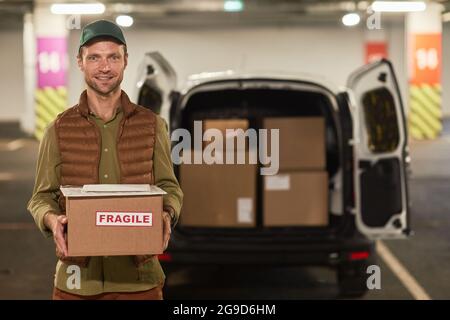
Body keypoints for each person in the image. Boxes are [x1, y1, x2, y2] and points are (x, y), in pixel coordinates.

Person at [27, 19, 183, 300]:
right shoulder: (58, 129)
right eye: (94, 58)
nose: (105, 67)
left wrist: (167, 213)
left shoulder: (152, 125)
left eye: (113, 57)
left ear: (125, 61)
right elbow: (40, 197)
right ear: (80, 62)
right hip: (77, 283)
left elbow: (169, 187)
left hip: (139, 282)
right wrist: (52, 220)